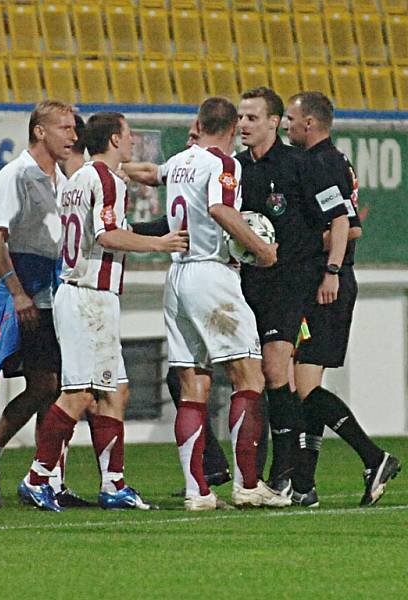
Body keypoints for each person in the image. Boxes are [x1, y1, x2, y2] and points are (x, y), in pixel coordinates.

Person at [17, 112, 189, 512]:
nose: (132, 143)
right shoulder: (107, 179)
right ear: (114, 139)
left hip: (87, 294)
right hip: (88, 295)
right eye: (128, 136)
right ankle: (37, 478)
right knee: (77, 393)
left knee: (115, 392)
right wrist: (161, 244)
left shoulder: (78, 178)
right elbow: (105, 234)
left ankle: (114, 484)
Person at [156, 97, 288, 510]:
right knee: (250, 378)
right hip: (212, 273)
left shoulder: (178, 161)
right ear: (231, 129)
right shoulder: (224, 163)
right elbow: (220, 209)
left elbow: (151, 176)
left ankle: (198, 492)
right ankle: (249, 485)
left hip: (176, 276)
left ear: (199, 123)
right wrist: (263, 250)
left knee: (193, 385)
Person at [0, 101, 88, 510]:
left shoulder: (60, 177)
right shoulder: (16, 175)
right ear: (40, 132)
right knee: (46, 386)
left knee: (54, 388)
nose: (73, 135)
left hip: (55, 290)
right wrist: (17, 292)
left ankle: (47, 477)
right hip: (30, 289)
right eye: (65, 128)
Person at [284, 91, 401, 508]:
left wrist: (329, 269)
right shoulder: (330, 160)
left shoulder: (320, 163)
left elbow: (348, 226)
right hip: (325, 279)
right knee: (307, 385)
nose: (286, 125)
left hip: (327, 281)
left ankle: (374, 457)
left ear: (310, 124)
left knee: (303, 386)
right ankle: (304, 485)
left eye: (291, 119)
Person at [236, 87, 350, 502]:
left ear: (272, 121)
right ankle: (295, 479)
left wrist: (332, 271)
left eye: (252, 117)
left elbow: (341, 220)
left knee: (274, 368)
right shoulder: (236, 169)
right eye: (241, 117)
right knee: (267, 378)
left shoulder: (302, 165)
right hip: (250, 282)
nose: (244, 124)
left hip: (292, 281)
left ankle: (283, 474)